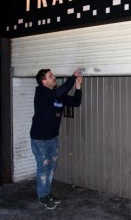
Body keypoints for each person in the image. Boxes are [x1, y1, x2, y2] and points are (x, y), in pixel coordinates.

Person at [30, 68, 83, 209]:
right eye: (50, 76)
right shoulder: (41, 92)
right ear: (44, 81)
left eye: (53, 75)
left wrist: (78, 85)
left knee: (51, 167)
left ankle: (47, 193)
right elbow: (59, 91)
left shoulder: (57, 94)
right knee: (43, 168)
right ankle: (43, 196)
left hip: (52, 138)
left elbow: (76, 102)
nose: (54, 77)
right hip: (39, 139)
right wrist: (73, 77)